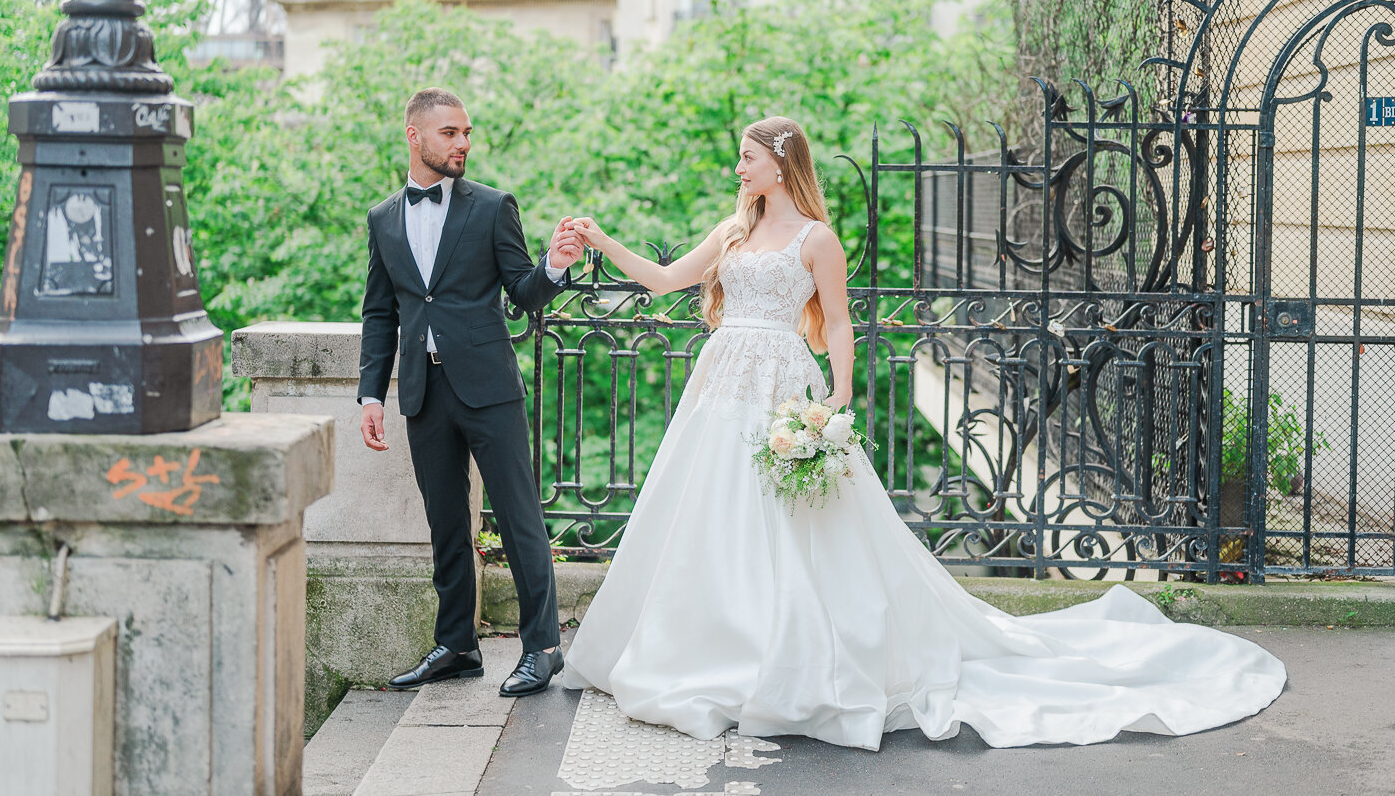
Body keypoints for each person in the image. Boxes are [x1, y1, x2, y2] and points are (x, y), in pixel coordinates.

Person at [561, 115, 1287, 749]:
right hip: (721, 383)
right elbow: (662, 281)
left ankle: (792, 651)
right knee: (709, 512)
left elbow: (838, 321)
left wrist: (839, 393)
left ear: (781, 163)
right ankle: (708, 646)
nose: (739, 168)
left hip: (783, 379)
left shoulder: (817, 239)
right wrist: (599, 239)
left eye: (748, 156)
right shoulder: (733, 230)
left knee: (793, 521)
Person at [358, 87, 582, 697]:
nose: (462, 144)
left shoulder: (491, 207)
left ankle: (542, 647)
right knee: (446, 523)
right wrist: (370, 395)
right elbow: (381, 313)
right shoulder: (382, 217)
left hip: (488, 389)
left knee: (518, 517)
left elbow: (523, 292)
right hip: (423, 390)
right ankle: (457, 644)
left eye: (466, 133)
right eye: (449, 133)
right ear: (415, 135)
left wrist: (555, 266)